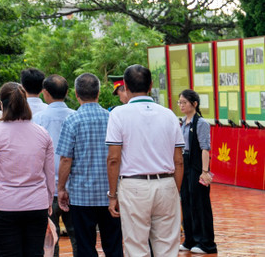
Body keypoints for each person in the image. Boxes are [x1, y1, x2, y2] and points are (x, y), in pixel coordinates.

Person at [106, 66, 183, 257]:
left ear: (125, 86)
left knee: (136, 246)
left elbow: (114, 159)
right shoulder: (169, 114)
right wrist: (175, 190)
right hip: (166, 183)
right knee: (167, 247)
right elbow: (179, 161)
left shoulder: (118, 114)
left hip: (134, 185)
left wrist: (113, 195)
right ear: (150, 85)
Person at [0, 83, 56, 257]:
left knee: (8, 253)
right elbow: (50, 172)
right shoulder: (42, 133)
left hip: (4, 205)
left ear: (2, 105)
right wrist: (49, 199)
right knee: (35, 253)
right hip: (37, 203)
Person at [56, 74, 122, 257]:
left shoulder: (72, 121)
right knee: (114, 245)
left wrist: (61, 188)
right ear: (98, 93)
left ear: (76, 94)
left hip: (81, 195)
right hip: (111, 194)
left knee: (85, 247)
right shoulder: (112, 118)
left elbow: (66, 160)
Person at [34, 75, 73, 245]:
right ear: (67, 92)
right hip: (73, 187)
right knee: (78, 238)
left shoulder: (38, 119)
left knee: (51, 240)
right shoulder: (75, 116)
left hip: (46, 188)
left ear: (45, 93)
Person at [176, 90, 215, 255]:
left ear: (194, 104)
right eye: (180, 102)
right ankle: (190, 239)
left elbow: (205, 148)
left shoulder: (201, 123)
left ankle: (205, 243)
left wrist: (204, 171)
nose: (181, 105)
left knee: (200, 203)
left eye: (184, 102)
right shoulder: (182, 122)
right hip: (184, 166)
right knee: (186, 201)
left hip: (197, 167)